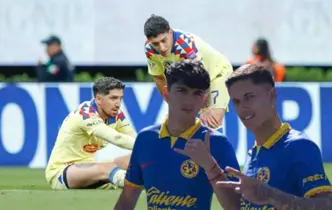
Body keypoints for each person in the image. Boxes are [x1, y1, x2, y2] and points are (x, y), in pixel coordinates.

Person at [183, 64, 332, 209]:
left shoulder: (299, 146)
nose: (242, 107)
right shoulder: (254, 153)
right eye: (236, 101)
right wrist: (210, 166)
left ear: (272, 96)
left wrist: (270, 195)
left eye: (249, 97)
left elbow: (327, 205)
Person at [114, 59, 240, 210]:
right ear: (166, 94)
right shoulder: (145, 139)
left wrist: (209, 165)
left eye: (197, 93)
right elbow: (127, 200)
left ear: (204, 100)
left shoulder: (217, 143)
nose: (189, 99)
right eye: (182, 91)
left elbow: (238, 206)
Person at [143, 15, 233, 129]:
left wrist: (203, 107)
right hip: (192, 79)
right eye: (156, 44)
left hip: (217, 72)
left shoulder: (185, 46)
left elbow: (200, 77)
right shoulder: (149, 49)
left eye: (164, 40)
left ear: (170, 32)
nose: (162, 48)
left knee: (212, 119)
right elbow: (159, 78)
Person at [45, 77, 136, 190]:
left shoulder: (116, 114)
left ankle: (156, 178)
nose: (118, 104)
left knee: (135, 158)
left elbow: (134, 137)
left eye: (120, 98)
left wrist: (153, 150)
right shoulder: (86, 114)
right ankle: (140, 185)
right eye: (113, 98)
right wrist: (148, 147)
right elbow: (116, 138)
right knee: (108, 168)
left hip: (89, 171)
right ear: (98, 99)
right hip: (63, 172)